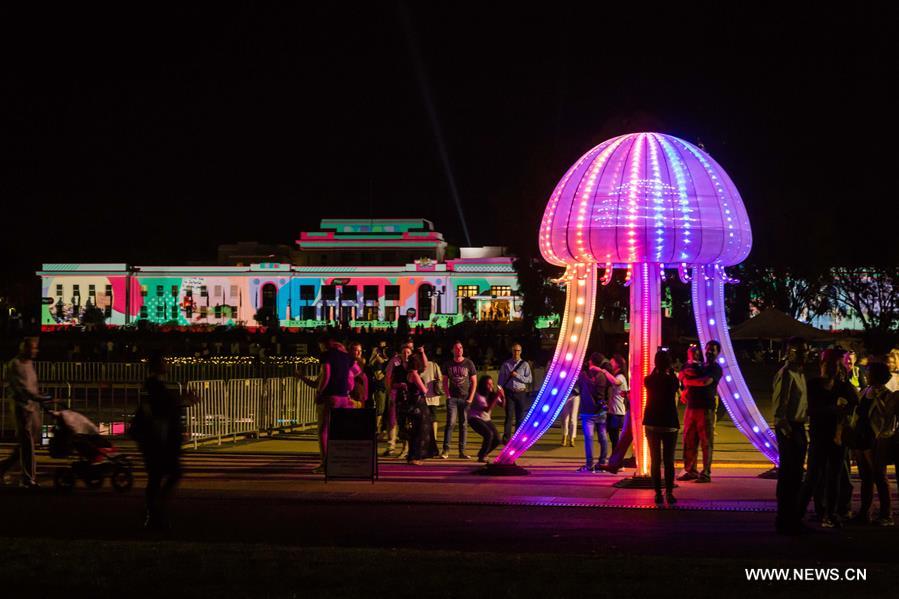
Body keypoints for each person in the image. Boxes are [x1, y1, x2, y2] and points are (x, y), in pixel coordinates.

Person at [138, 351, 199, 529]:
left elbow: (165, 404)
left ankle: (154, 513)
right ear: (158, 365)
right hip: (158, 440)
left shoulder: (153, 385)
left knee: (158, 477)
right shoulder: (154, 385)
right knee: (167, 475)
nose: (167, 365)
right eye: (164, 362)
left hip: (157, 439)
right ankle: (156, 512)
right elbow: (164, 406)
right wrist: (184, 400)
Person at [799, 349, 857, 527]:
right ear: (821, 366)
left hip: (837, 439)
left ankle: (830, 513)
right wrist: (833, 409)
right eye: (828, 365)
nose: (831, 369)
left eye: (835, 365)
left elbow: (854, 407)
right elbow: (808, 409)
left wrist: (844, 415)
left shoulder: (844, 387)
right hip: (819, 437)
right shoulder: (813, 386)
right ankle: (804, 512)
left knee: (834, 476)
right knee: (813, 476)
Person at [850, 361, 896, 526]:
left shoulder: (887, 395)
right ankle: (865, 512)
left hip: (876, 439)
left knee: (879, 475)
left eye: (869, 372)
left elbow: (887, 419)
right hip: (861, 439)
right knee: (866, 477)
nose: (866, 375)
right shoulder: (865, 391)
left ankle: (886, 513)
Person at [0, 337, 51, 487]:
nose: (36, 351)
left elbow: (31, 385)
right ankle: (28, 478)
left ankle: (3, 467)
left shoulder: (29, 363)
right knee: (27, 443)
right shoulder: (14, 364)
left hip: (32, 407)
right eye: (34, 348)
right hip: (21, 408)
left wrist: (39, 395)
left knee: (27, 443)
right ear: (25, 348)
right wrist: (39, 397)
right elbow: (22, 388)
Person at [773, 337, 810, 535]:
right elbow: (780, 408)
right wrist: (788, 433)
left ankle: (793, 517)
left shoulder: (800, 374)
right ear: (789, 352)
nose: (804, 354)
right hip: (789, 428)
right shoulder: (786, 374)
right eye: (800, 351)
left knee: (796, 476)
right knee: (788, 475)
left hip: (798, 426)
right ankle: (784, 518)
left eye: (805, 351)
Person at [312, 336, 361, 472]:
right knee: (340, 429)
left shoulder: (326, 355)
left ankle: (325, 463)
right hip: (344, 397)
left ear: (325, 344)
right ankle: (342, 459)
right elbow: (357, 371)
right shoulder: (346, 356)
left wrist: (320, 392)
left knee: (323, 430)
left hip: (330, 396)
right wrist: (348, 381)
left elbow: (326, 374)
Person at [677, 342, 722, 483]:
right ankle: (691, 470)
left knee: (706, 442)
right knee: (689, 440)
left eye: (712, 350)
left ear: (717, 353)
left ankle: (706, 473)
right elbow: (682, 376)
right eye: (708, 349)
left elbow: (705, 382)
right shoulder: (700, 366)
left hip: (706, 409)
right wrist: (685, 386)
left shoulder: (715, 368)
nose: (709, 352)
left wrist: (687, 381)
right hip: (691, 407)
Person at [644, 349, 681, 506]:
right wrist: (670, 370)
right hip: (669, 422)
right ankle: (670, 492)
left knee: (655, 460)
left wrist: (659, 368)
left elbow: (651, 378)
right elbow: (675, 386)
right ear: (669, 364)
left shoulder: (649, 380)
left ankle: (658, 493)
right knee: (668, 460)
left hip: (652, 422)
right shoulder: (672, 380)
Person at [576, 352, 617, 472]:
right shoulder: (603, 376)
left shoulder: (583, 375)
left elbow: (579, 386)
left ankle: (589, 465)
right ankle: (602, 462)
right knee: (603, 437)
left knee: (589, 438)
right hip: (600, 410)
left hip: (587, 411)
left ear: (591, 362)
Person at [441, 341, 477, 459]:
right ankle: (445, 450)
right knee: (450, 424)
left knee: (463, 425)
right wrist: (448, 396)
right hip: (453, 399)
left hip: (465, 398)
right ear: (452, 350)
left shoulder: (468, 363)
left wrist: (471, 398)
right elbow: (445, 381)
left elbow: (474, 382)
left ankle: (462, 451)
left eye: (461, 347)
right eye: (456, 348)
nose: (459, 350)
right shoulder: (448, 364)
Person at [403, 350, 438, 465]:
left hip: (412, 404)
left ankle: (412, 456)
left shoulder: (409, 373)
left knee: (415, 432)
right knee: (420, 432)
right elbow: (424, 390)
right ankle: (415, 457)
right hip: (419, 406)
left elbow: (426, 364)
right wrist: (427, 387)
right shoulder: (414, 374)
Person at [382, 340, 413, 457]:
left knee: (406, 421)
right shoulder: (395, 361)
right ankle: (391, 446)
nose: (406, 354)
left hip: (408, 395)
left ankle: (406, 448)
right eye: (404, 352)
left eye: (408, 352)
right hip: (395, 393)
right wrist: (390, 392)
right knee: (392, 419)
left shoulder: (413, 362)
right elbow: (388, 377)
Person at [498, 343, 533, 444]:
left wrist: (517, 376)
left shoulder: (525, 364)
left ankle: (517, 438)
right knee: (509, 416)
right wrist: (500, 393)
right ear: (511, 351)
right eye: (514, 350)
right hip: (509, 393)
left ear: (521, 351)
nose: (516, 352)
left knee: (520, 417)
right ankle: (506, 439)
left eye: (518, 350)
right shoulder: (506, 364)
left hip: (521, 393)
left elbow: (529, 379)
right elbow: (501, 380)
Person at [469, 375, 506, 462]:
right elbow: (487, 409)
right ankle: (482, 456)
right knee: (488, 434)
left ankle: (483, 454)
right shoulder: (478, 395)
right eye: (488, 384)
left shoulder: (492, 394)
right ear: (483, 385)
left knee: (497, 440)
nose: (491, 386)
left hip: (486, 418)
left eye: (492, 384)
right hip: (474, 418)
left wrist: (503, 396)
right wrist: (497, 396)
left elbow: (502, 405)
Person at [419, 347, 443, 440]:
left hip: (422, 397)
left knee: (424, 418)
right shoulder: (434, 365)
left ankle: (426, 437)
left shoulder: (419, 366)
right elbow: (440, 378)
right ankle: (434, 437)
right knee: (433, 417)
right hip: (433, 396)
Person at [607, 354, 629, 451]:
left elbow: (616, 382)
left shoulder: (621, 376)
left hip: (617, 412)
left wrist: (604, 372)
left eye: (612, 362)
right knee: (613, 437)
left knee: (615, 438)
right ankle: (615, 458)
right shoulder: (616, 375)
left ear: (618, 364)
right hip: (613, 411)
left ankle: (615, 459)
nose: (610, 364)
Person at [368, 341, 389, 432]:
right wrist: (387, 369)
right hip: (380, 388)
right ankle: (375, 429)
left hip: (385, 387)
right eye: (383, 349)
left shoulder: (383, 362)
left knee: (384, 410)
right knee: (380, 409)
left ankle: (381, 429)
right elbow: (378, 376)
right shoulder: (378, 363)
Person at [349, 342, 369, 409]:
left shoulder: (361, 363)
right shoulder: (348, 363)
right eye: (356, 350)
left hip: (361, 396)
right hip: (352, 396)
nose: (359, 353)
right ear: (351, 351)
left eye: (360, 351)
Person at [559, 382, 580, 447]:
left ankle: (572, 438)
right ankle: (564, 435)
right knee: (564, 418)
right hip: (565, 394)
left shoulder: (580, 373)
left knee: (573, 418)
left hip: (576, 395)